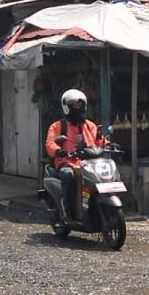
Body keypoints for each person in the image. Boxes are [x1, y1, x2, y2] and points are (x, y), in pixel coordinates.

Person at [44, 89, 105, 218]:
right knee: (68, 176)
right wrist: (58, 150)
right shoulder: (58, 126)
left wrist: (108, 144)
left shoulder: (90, 126)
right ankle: (68, 211)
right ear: (67, 107)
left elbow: (99, 141)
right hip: (67, 162)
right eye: (74, 105)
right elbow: (50, 143)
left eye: (80, 105)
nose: (77, 108)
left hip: (88, 163)